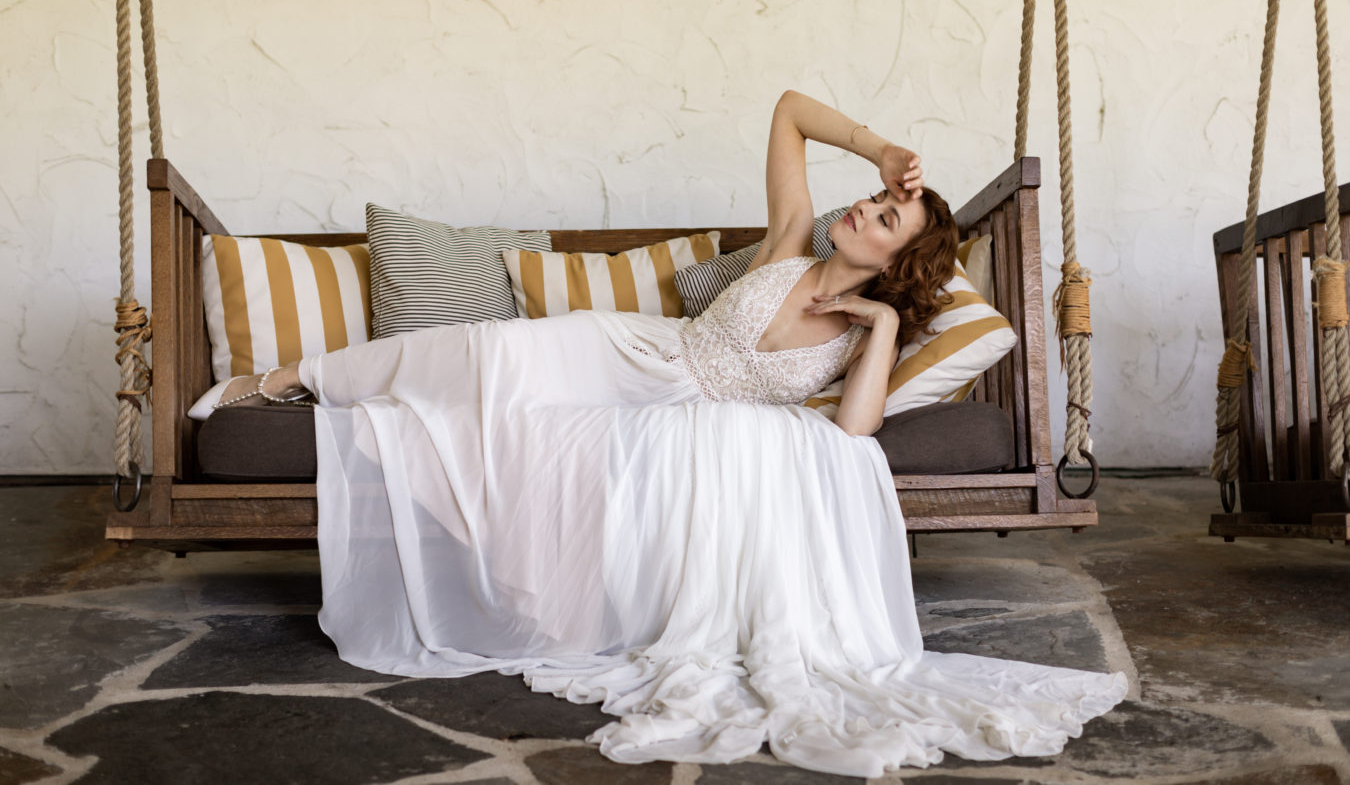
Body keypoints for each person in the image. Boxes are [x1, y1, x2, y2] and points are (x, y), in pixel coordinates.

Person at [211, 91, 1126, 777]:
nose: (863, 211)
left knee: (540, 448)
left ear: (897, 261)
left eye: (885, 220)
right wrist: (881, 149)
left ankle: (489, 550)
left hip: (672, 426)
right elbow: (789, 110)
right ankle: (289, 379)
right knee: (488, 352)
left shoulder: (860, 336)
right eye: (873, 200)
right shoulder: (791, 242)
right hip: (634, 352)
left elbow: (856, 434)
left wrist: (883, 328)